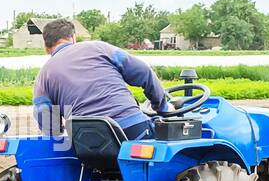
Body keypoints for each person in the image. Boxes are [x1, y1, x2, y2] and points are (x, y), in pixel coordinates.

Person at [31, 19, 170, 140]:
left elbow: (49, 125)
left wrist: (59, 134)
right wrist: (163, 107)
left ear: (46, 48)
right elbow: (144, 72)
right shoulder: (99, 48)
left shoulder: (43, 77)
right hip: (131, 128)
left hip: (88, 141)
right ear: (73, 38)